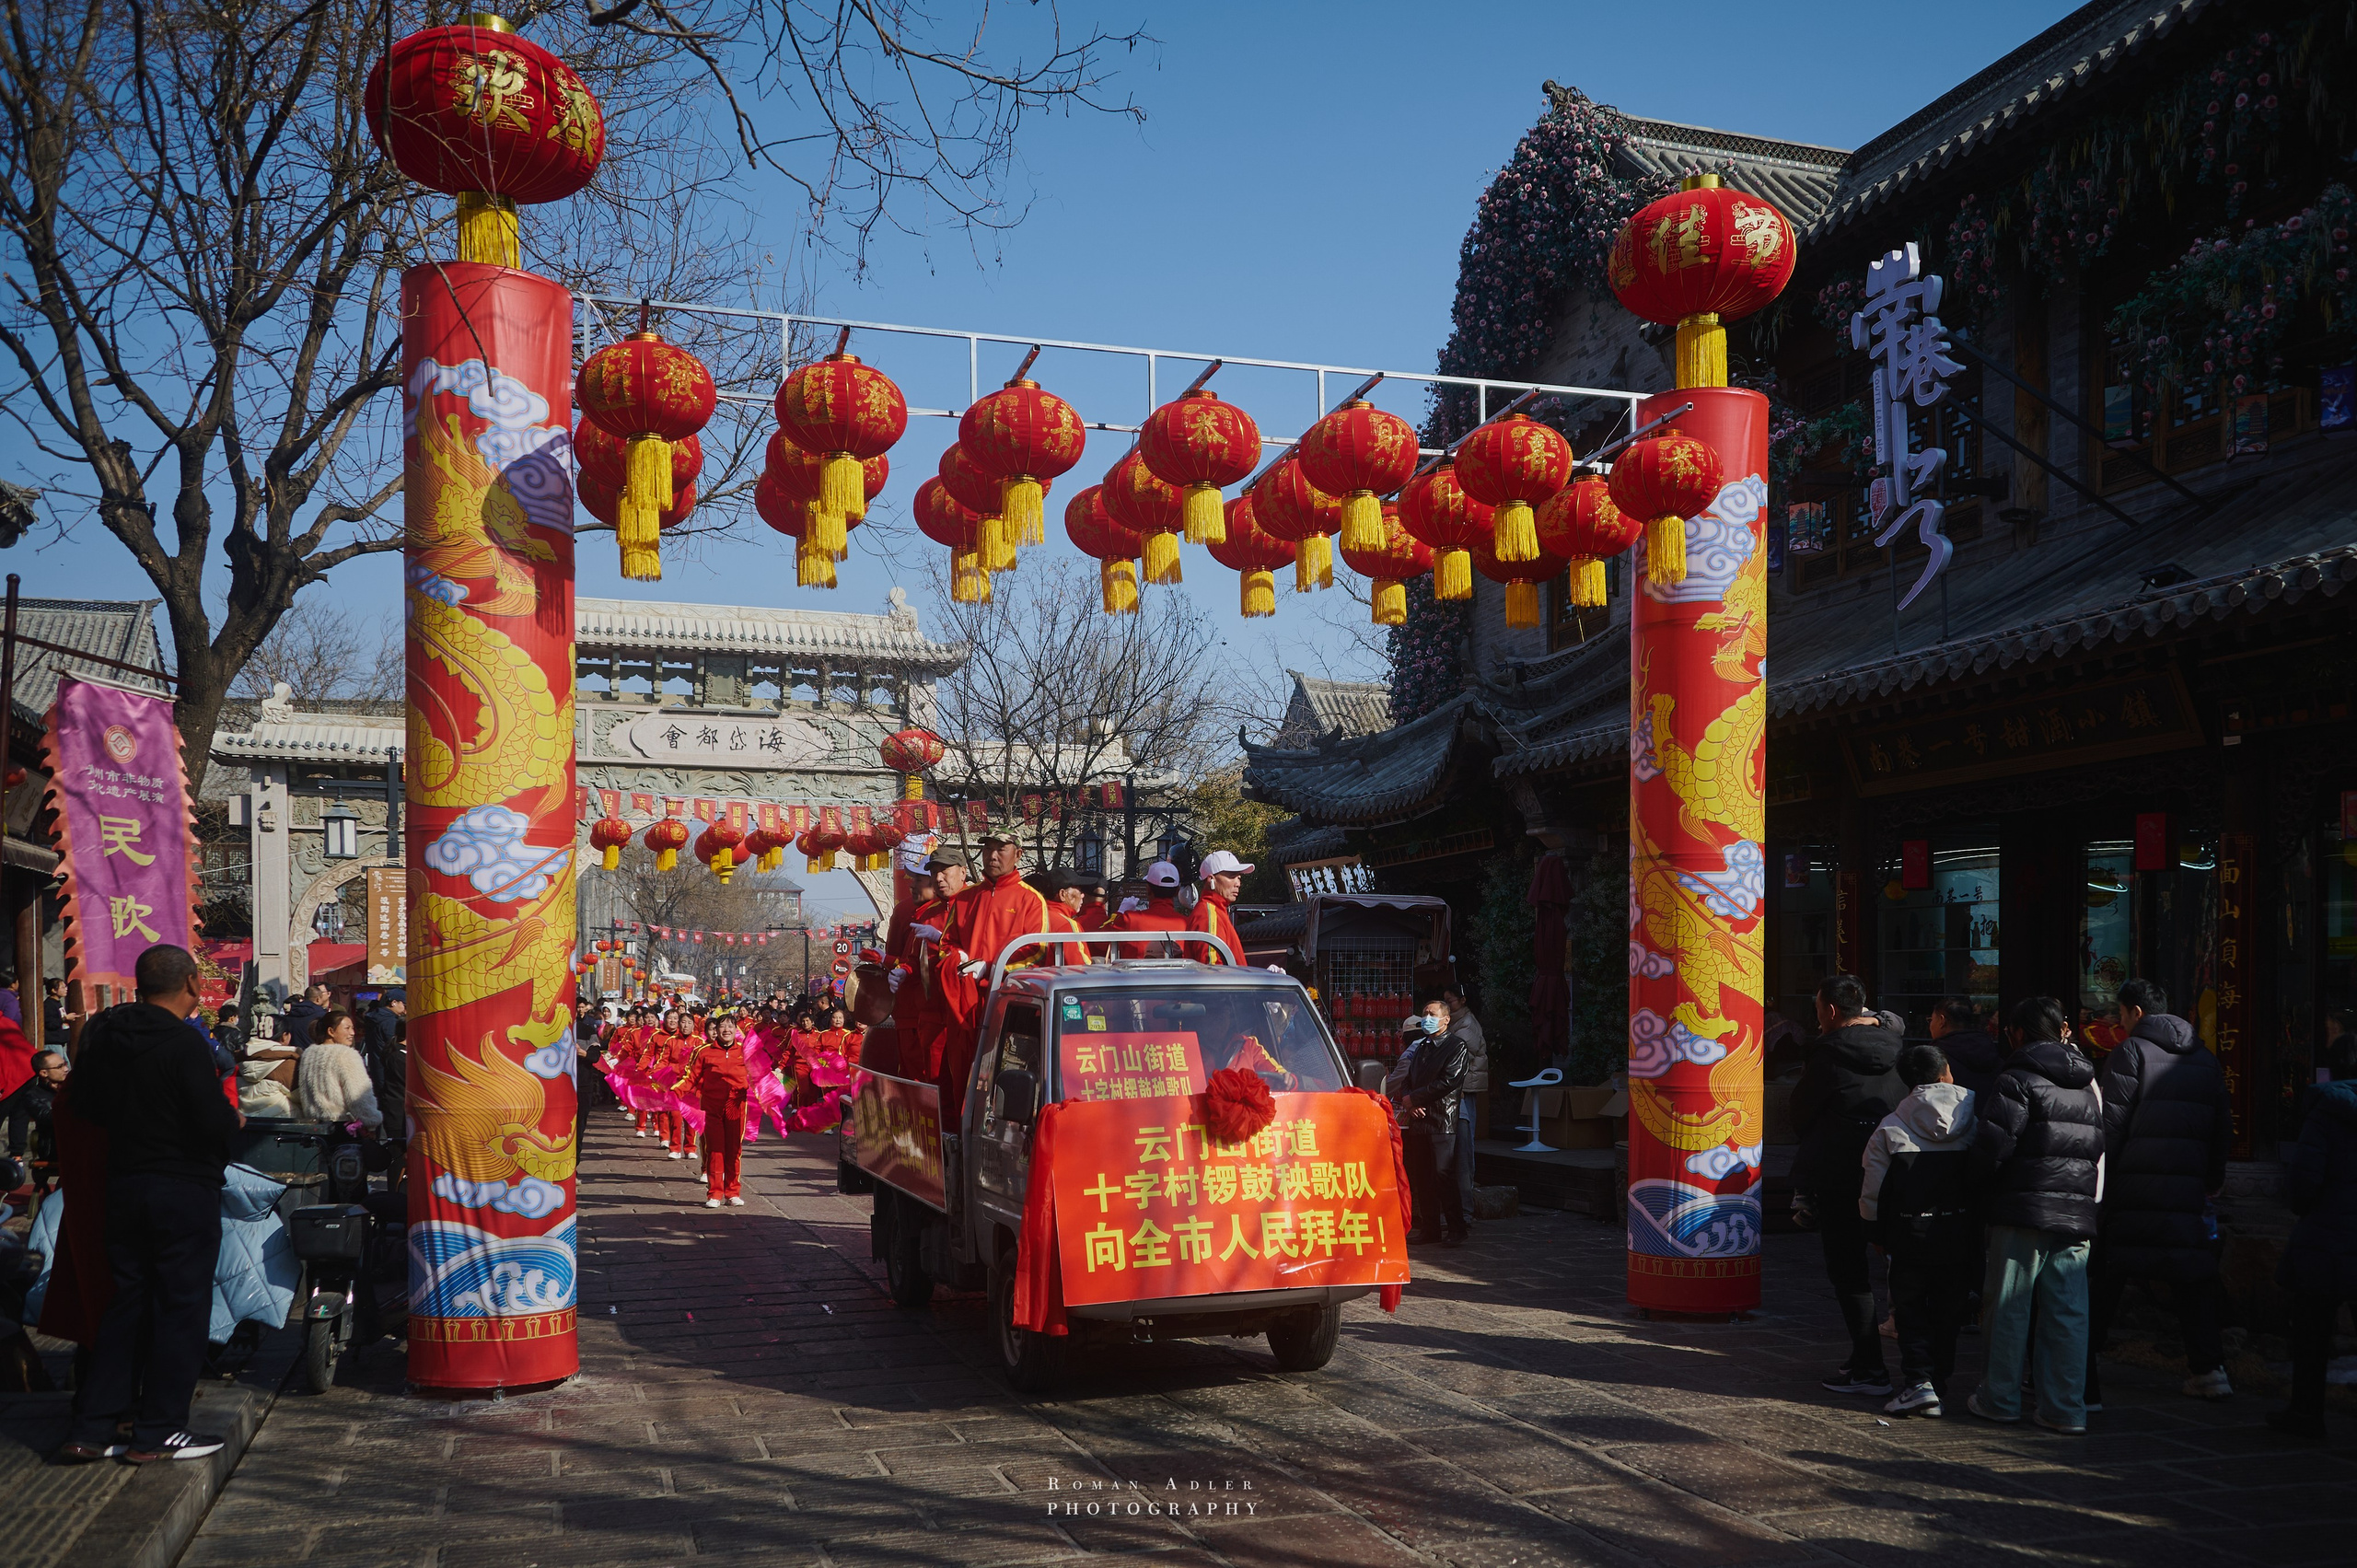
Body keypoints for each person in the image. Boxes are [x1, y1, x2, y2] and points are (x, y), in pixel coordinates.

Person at [57, 944, 242, 1465]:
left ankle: (93, 1426)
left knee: (125, 1304)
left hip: (124, 1184)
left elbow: (84, 1106)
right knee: (180, 1307)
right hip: (181, 1188)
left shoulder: (107, 1038)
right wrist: (232, 1126)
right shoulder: (184, 1045)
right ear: (189, 984)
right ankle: (158, 1428)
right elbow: (212, 1121)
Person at [2085, 978, 2235, 1405]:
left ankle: (2081, 1372)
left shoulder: (2130, 1052)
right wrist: (2211, 1178)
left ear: (2134, 1012)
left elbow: (2109, 1125)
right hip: (2186, 1190)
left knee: (2106, 1276)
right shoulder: (2205, 1058)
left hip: (2132, 1187)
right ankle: (2210, 1370)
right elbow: (2222, 1127)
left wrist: (2099, 1181)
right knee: (2192, 1278)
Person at [1968, 995, 2103, 1434]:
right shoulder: (2085, 1084)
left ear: (2019, 1034)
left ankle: (2000, 1398)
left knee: (2008, 1306)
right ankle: (2065, 1408)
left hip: (2023, 1209)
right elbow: (2096, 1148)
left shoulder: (2017, 1078)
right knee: (2068, 1310)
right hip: (2076, 1211)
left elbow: (1993, 1147)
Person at [1791, 974, 1906, 1398]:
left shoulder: (1827, 1055)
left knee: (1849, 1272)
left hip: (1842, 1173)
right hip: (1894, 1168)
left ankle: (1871, 1368)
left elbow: (1800, 1113)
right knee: (1900, 1267)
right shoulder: (1897, 1048)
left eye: (1818, 1008)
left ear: (1832, 1011)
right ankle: (1911, 1373)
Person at [1861, 1041, 1978, 1417]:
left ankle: (1918, 1383)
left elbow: (1873, 1189)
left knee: (1909, 1308)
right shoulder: (1973, 1122)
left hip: (1908, 1233)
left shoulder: (1891, 1126)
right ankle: (1939, 1382)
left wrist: (1874, 1232)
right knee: (1950, 1310)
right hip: (1959, 1230)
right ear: (1946, 1072)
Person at [2270, 1057, 2355, 1441]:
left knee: (2311, 1330)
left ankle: (2306, 1413)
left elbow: (2303, 1180)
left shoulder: (2326, 1111)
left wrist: (2310, 1210)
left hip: (2327, 1235)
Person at [1389, 1000, 1469, 1246]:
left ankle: (1456, 1229)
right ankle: (1430, 1228)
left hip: (1442, 1119)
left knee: (1443, 1175)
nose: (1427, 1018)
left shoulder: (1457, 1046)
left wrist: (1415, 1098)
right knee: (1422, 1177)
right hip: (1418, 1119)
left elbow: (1449, 1081)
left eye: (1432, 1014)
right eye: (1425, 1013)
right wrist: (1409, 1101)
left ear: (1446, 1019)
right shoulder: (1421, 1046)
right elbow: (1407, 1079)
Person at [678, 1015, 749, 1208]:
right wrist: (675, 1091)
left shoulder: (745, 1051)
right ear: (715, 1031)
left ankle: (732, 1192)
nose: (726, 1030)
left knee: (734, 1150)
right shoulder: (703, 1052)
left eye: (730, 1026)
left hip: (736, 1108)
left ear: (736, 1030)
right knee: (715, 1149)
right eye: (722, 1026)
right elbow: (690, 1076)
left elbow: (759, 1075)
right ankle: (715, 1193)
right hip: (711, 1107)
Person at [1444, 985, 1487, 1223]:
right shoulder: (1459, 1022)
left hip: (1466, 1087)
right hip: (1463, 1086)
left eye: (1450, 1002)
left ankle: (1466, 1208)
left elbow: (1454, 1051)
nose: (1448, 1006)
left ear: (1462, 1000)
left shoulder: (1467, 1025)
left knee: (1465, 1142)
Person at [296, 1011, 382, 1131]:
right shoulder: (346, 1054)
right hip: (343, 1126)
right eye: (347, 1028)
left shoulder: (309, 1054)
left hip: (315, 1126)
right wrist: (372, 1121)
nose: (352, 1033)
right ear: (331, 1031)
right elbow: (359, 1096)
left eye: (353, 1028)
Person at [1109, 860, 1190, 958]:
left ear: (1148, 889)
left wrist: (1120, 913)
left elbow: (1102, 944)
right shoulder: (1187, 924)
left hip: (1135, 973)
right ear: (1177, 891)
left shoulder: (1129, 919)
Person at [1929, 997, 2002, 1102]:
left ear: (1942, 1021)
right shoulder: (1989, 1048)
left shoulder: (1935, 1057)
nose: (1930, 1025)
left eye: (1931, 1020)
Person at [1186, 850, 1250, 965]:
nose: (1238, 883)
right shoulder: (1208, 914)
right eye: (1232, 876)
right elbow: (1212, 969)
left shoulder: (1215, 911)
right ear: (1211, 879)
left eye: (1239, 878)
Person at [360, 990, 407, 1138]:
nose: (406, 1009)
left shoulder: (374, 1018)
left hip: (377, 1069)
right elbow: (393, 1044)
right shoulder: (389, 1022)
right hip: (389, 1074)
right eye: (404, 1005)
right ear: (393, 1003)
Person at [0, 1005, 33, 1157]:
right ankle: (17, 1156)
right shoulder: (8, 1022)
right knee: (20, 1116)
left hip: (11, 1075)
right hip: (29, 1070)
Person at [282, 981, 330, 1050]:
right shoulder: (322, 1015)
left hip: (295, 1054)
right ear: (318, 999)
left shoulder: (291, 1013)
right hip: (314, 1054)